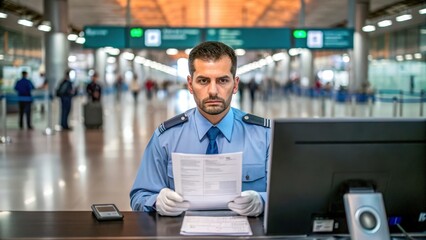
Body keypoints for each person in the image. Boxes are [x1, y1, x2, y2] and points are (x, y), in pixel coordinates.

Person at [130, 41, 271, 217]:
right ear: (190, 84)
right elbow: (139, 196)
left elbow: (288, 196)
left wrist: (263, 200)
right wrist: (156, 201)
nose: (213, 91)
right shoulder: (166, 138)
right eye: (203, 81)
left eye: (222, 80)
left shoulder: (265, 137)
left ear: (235, 85)